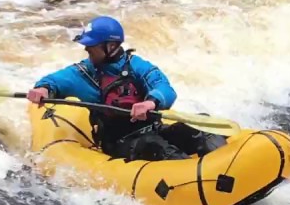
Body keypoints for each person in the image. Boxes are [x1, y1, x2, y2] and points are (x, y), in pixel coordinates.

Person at [26, 15, 222, 161]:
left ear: (110, 46)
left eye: (91, 45)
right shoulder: (83, 74)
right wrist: (43, 89)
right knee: (152, 145)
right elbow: (53, 81)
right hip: (120, 143)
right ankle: (197, 180)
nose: (86, 49)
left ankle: (223, 166)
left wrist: (150, 102)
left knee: (202, 124)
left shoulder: (136, 66)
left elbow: (164, 87)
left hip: (154, 128)